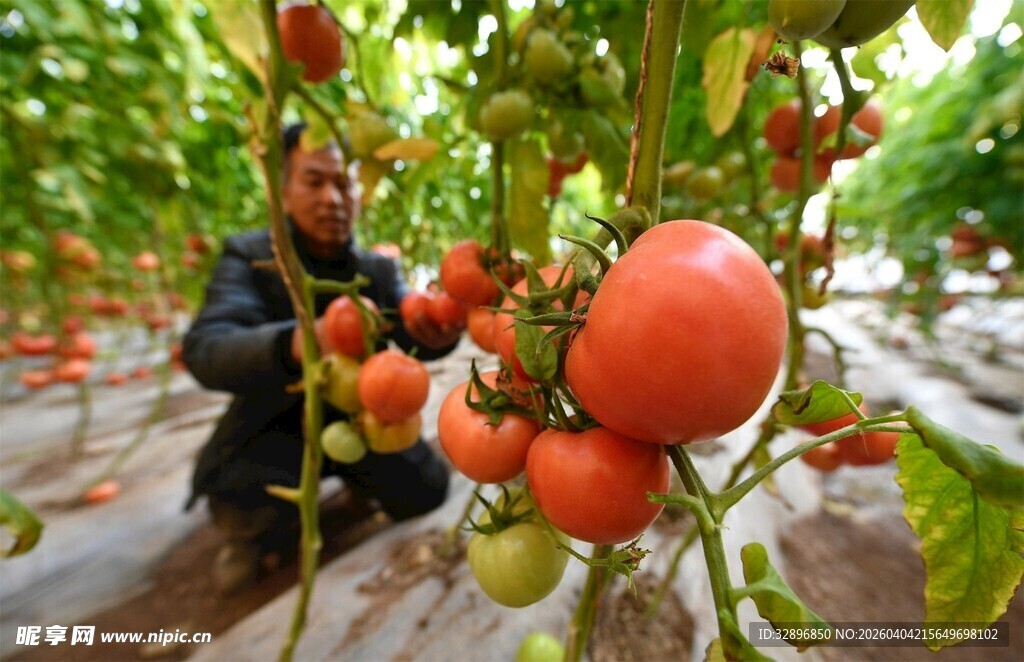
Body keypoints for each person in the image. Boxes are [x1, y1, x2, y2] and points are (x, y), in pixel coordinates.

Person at [182, 123, 461, 594]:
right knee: (239, 498)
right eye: (315, 182)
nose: (333, 198)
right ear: (283, 191)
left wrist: (436, 328)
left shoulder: (375, 269)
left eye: (344, 183)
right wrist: (302, 341)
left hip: (362, 419)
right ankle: (259, 533)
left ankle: (354, 485)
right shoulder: (250, 256)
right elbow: (207, 348)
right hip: (275, 421)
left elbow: (409, 323)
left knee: (426, 489)